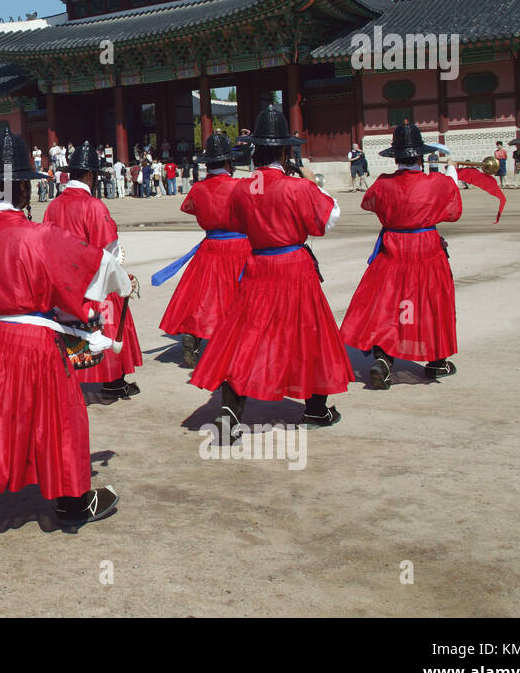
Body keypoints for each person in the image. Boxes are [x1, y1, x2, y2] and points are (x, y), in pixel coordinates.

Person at [0, 128, 132, 569]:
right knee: (60, 419)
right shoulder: (41, 235)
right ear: (23, 186)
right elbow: (100, 269)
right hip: (35, 344)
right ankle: (73, 504)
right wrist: (103, 301)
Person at [190, 106, 351, 441]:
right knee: (310, 334)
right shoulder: (297, 187)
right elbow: (328, 219)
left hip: (258, 265)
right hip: (294, 267)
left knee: (246, 336)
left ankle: (231, 411)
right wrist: (306, 178)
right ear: (284, 150)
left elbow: (235, 222)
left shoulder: (240, 189)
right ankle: (316, 408)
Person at [340, 122, 464, 388]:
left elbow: (367, 202)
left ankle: (383, 359)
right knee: (432, 302)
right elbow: (454, 209)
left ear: (396, 158)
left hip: (393, 247)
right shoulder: (437, 182)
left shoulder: (384, 184)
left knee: (388, 303)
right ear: (420, 156)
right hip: (426, 247)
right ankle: (436, 362)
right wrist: (450, 169)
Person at [43, 141, 143, 401]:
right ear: (89, 175)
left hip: (63, 285)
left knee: (65, 332)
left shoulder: (53, 206)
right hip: (92, 282)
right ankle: (113, 381)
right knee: (109, 325)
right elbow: (110, 251)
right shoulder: (94, 206)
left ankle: (68, 380)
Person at [157, 134, 252, 368]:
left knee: (203, 296)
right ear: (229, 163)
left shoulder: (198, 189)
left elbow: (188, 207)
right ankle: (237, 343)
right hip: (239, 246)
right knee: (238, 295)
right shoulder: (240, 186)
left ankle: (195, 335)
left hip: (210, 246)